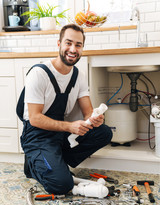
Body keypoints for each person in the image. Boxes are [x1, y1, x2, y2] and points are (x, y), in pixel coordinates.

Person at [17, 23, 112, 195]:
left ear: (82, 48)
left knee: (104, 132)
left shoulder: (79, 76)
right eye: (68, 43)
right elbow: (35, 118)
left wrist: (95, 118)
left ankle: (55, 162)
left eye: (78, 45)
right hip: (36, 135)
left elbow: (87, 112)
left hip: (60, 135)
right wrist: (69, 126)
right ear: (59, 43)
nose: (73, 49)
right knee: (61, 185)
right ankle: (35, 164)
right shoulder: (39, 74)